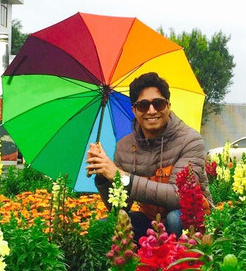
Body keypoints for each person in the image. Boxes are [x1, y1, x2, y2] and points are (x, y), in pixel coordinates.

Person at [87, 71, 212, 243]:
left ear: (168, 106)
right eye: (143, 105)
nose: (151, 111)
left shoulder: (190, 141)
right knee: (103, 227)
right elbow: (120, 207)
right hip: (151, 220)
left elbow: (179, 196)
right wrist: (103, 176)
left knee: (174, 219)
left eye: (158, 104)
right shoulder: (124, 147)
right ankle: (125, 268)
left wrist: (120, 177)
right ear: (134, 110)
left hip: (192, 218)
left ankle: (180, 267)